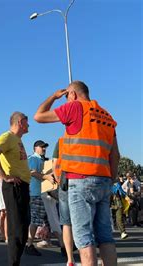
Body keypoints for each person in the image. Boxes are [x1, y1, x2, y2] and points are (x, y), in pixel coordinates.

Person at [34, 81, 120, 266]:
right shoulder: (106, 115)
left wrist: (53, 97)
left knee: (84, 238)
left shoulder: (74, 107)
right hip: (103, 180)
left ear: (72, 94)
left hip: (80, 180)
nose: (65, 99)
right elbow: (115, 155)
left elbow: (38, 116)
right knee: (105, 236)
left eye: (66, 96)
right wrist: (109, 180)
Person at [0, 111, 31, 266]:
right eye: (26, 122)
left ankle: (16, 261)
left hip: (23, 186)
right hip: (13, 186)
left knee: (23, 227)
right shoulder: (7, 137)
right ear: (20, 122)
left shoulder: (18, 140)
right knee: (16, 230)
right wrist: (4, 176)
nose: (28, 125)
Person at [25, 140, 54, 256]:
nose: (44, 149)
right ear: (35, 148)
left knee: (46, 219)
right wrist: (46, 177)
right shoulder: (33, 159)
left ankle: (46, 240)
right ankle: (29, 244)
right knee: (36, 219)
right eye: (42, 147)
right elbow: (31, 172)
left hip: (41, 193)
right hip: (35, 193)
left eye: (45, 147)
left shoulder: (42, 160)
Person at [53, 138, 76, 266]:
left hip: (64, 182)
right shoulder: (87, 137)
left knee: (66, 222)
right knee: (85, 220)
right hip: (82, 180)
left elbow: (54, 163)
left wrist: (58, 180)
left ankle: (70, 259)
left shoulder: (61, 141)